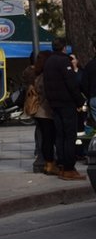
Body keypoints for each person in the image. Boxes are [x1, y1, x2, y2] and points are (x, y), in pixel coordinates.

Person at [41, 38, 86, 180]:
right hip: (67, 103)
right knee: (69, 136)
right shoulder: (63, 61)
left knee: (60, 136)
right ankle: (69, 168)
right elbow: (71, 83)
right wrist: (79, 101)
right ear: (64, 48)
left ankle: (61, 164)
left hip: (54, 104)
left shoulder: (48, 62)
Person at [24, 50, 51, 172]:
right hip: (44, 109)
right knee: (47, 136)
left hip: (36, 109)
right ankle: (47, 161)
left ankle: (42, 157)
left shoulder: (31, 72)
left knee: (41, 133)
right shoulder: (43, 75)